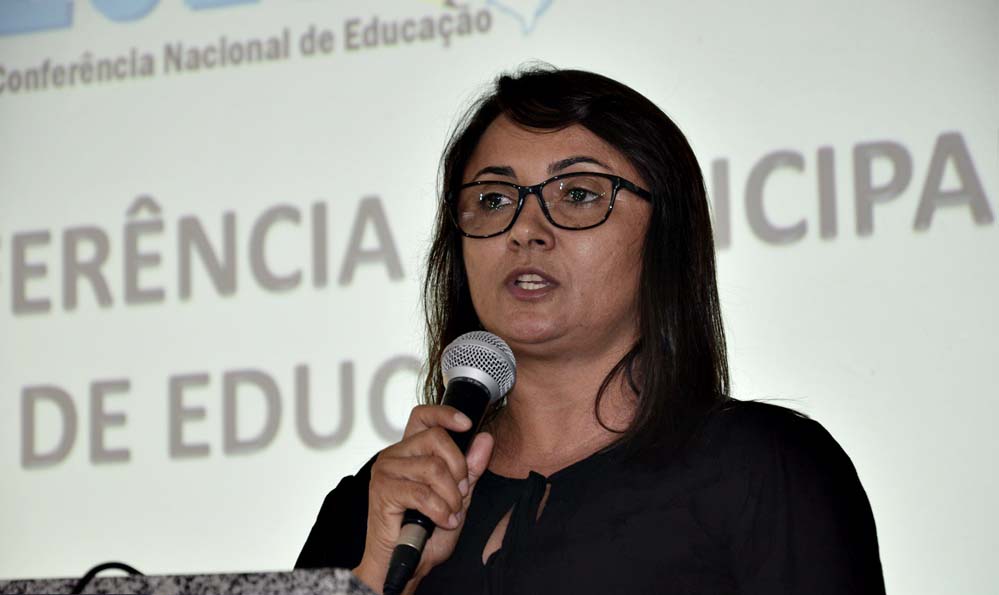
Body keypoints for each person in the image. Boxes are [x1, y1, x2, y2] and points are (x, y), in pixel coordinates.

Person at [296, 67, 885, 594]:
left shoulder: (765, 467)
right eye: (494, 199)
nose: (525, 229)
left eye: (578, 195)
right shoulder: (378, 504)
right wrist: (377, 577)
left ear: (665, 235)